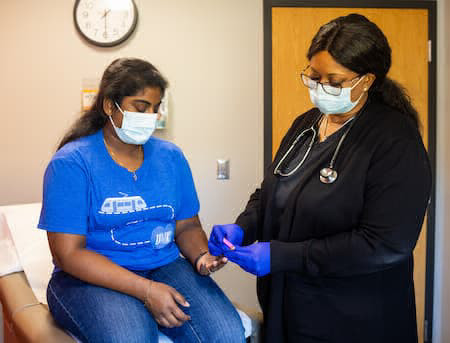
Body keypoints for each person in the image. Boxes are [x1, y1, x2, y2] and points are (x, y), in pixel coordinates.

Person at [209, 13, 431, 343]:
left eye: (334, 81)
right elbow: (272, 190)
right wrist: (244, 226)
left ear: (366, 80)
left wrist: (281, 255)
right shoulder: (306, 125)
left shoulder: (395, 141)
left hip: (355, 317)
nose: (320, 88)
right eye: (313, 76)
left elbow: (384, 243)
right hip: (292, 303)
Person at [38, 58, 245, 343]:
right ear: (110, 106)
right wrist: (146, 290)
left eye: (156, 108)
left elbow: (186, 226)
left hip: (163, 264)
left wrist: (201, 257)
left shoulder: (170, 157)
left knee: (227, 334)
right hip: (90, 276)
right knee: (132, 337)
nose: (150, 116)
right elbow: (68, 253)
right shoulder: (72, 164)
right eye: (140, 107)